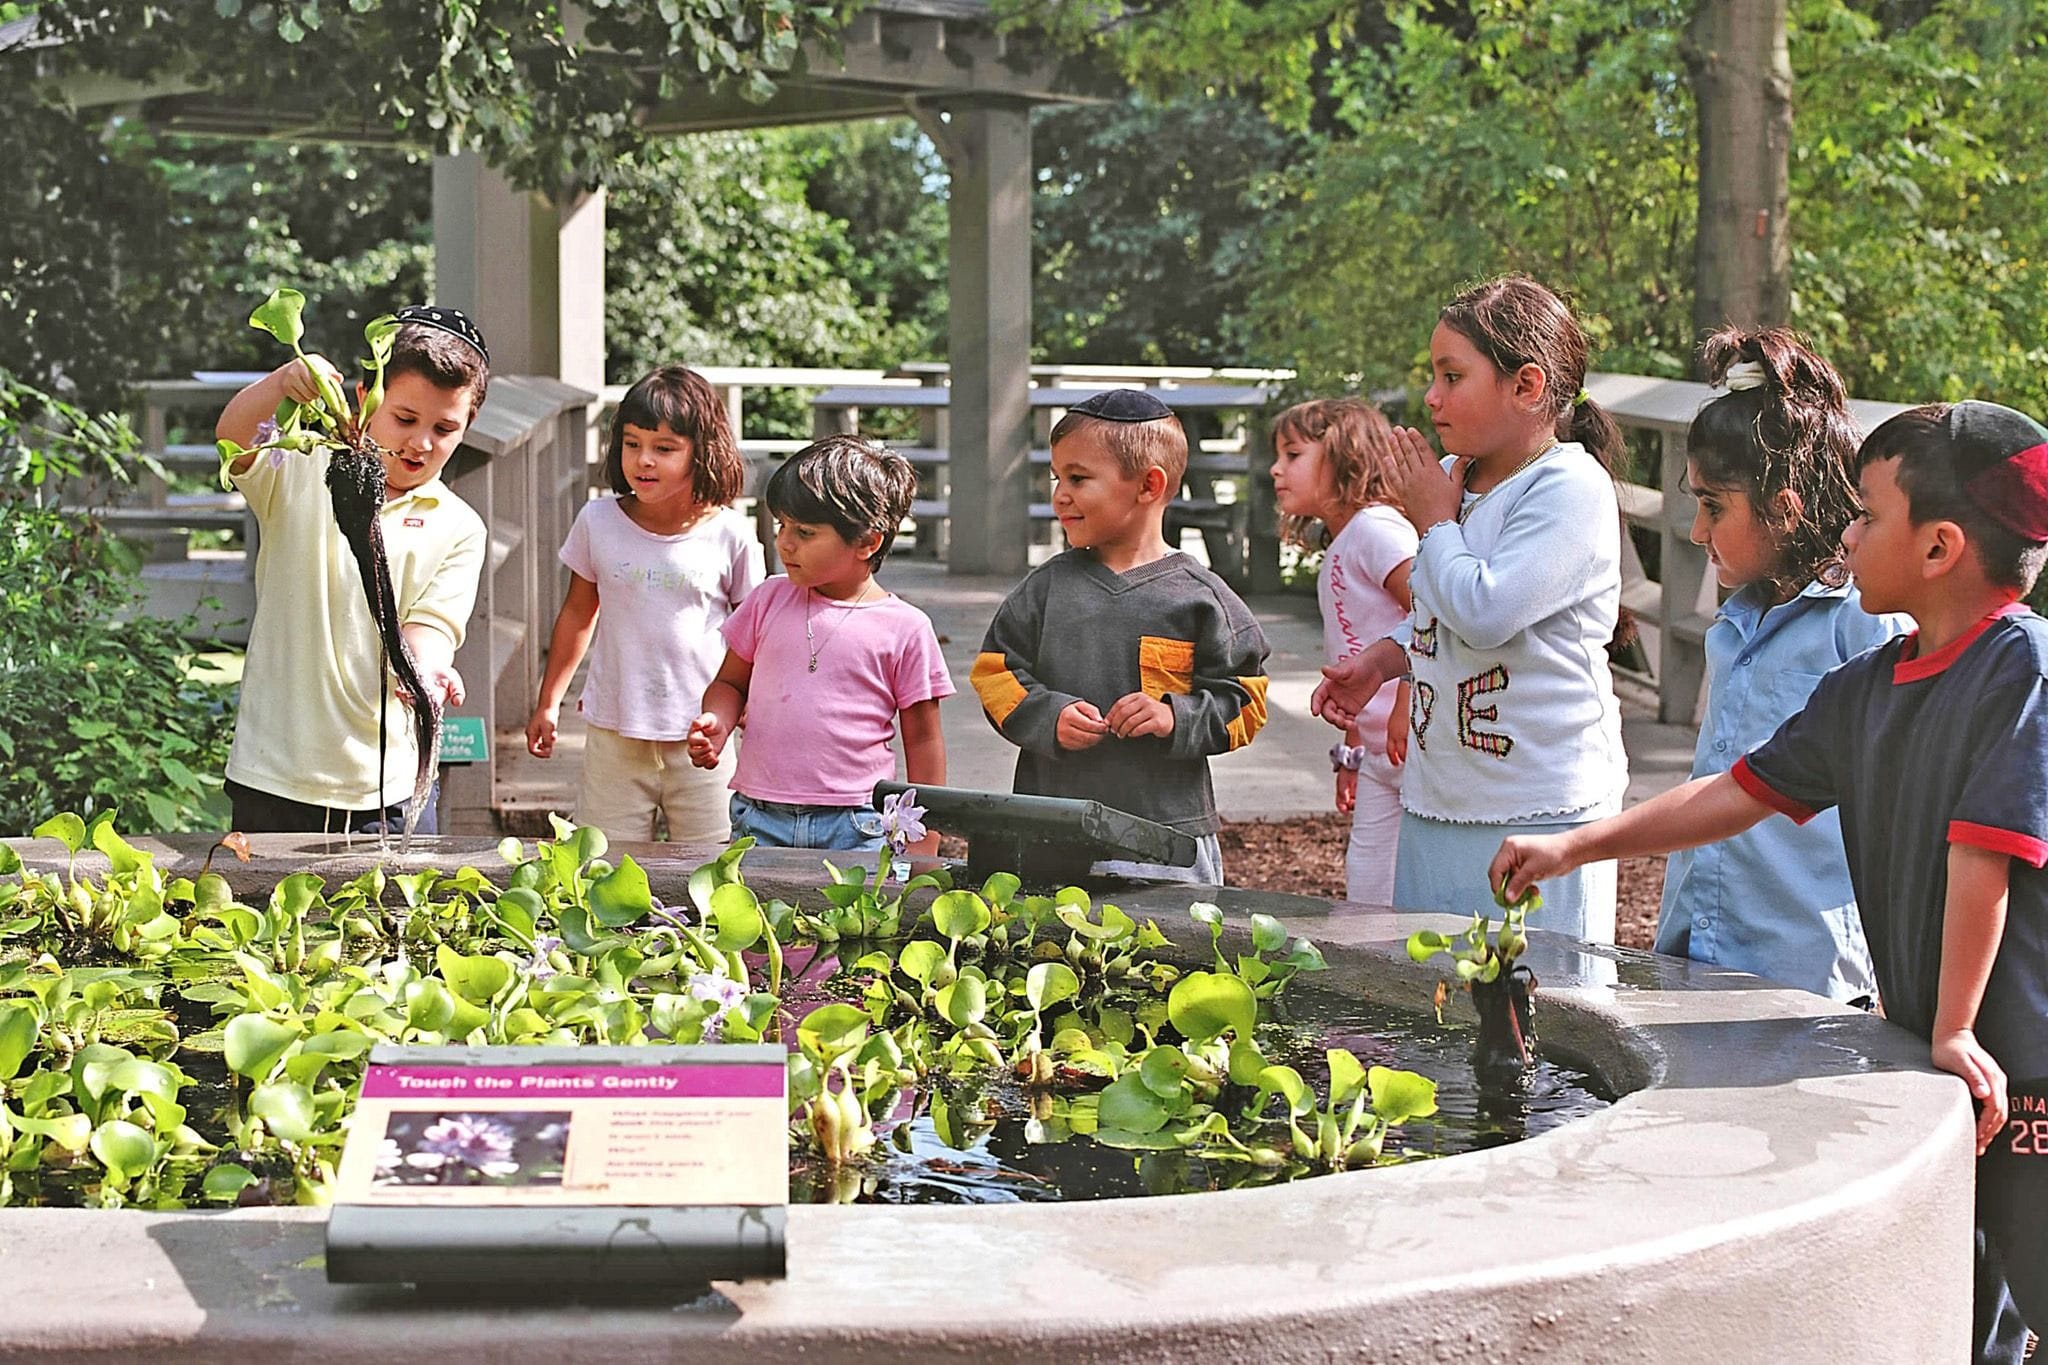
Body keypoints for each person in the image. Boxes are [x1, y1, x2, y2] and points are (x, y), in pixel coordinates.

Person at [1490, 400, 2048, 1364]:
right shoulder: (1868, 689)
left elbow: (1982, 851)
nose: (1847, 534)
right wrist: (1578, 846)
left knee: (2034, 1267)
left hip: (2027, 1061)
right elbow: (1736, 792)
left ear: (1939, 546)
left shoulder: (2021, 668)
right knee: (1960, 1282)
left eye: (1869, 516)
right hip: (1946, 1045)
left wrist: (1955, 1022)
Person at [1311, 275, 1628, 940]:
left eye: (1452, 375)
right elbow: (1439, 607)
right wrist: (1383, 660)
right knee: (1434, 1007)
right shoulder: (1458, 479)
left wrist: (1433, 523)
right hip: (1437, 799)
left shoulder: (1570, 486)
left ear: (1527, 386)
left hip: (1538, 812)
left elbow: (1486, 610)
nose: (1432, 395)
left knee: (1535, 1012)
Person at [1658, 328, 1909, 1002]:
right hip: (1695, 949)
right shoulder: (1735, 619)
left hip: (1803, 978)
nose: (1695, 532)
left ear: (1784, 507)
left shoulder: (1866, 623)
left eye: (1712, 505)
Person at [971, 388, 1271, 884]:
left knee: (1174, 955)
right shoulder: (1044, 590)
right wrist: (1049, 716)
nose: (1059, 494)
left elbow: (1247, 702)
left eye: (1078, 478)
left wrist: (1174, 716)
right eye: (1057, 478)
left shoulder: (1201, 599)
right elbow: (995, 673)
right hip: (1053, 829)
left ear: (1149, 486)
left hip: (1166, 837)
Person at [214, 305, 491, 834]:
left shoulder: (460, 526)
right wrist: (279, 384)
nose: (421, 442)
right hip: (274, 771)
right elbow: (235, 439)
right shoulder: (298, 469)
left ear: (467, 427)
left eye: (445, 428)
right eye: (405, 419)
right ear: (366, 400)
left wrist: (427, 672)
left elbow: (430, 628)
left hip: (387, 785)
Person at [525, 365, 762, 844]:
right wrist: (548, 702)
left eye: (664, 448)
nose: (643, 461)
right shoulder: (598, 521)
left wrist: (749, 714)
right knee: (598, 869)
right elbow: (577, 614)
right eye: (632, 444)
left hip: (703, 739)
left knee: (714, 871)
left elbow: (755, 634)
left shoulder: (731, 533)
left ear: (703, 452)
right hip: (615, 730)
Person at [686, 435, 948, 853]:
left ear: (867, 542)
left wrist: (924, 847)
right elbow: (730, 684)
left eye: (805, 532)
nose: (785, 542)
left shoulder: (907, 628)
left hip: (859, 823)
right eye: (781, 526)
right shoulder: (766, 600)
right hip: (760, 816)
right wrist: (715, 722)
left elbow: (923, 742)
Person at [1271, 397, 1416, 904]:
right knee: (1368, 893)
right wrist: (1352, 749)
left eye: (1293, 455)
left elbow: (1432, 614)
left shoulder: (1379, 530)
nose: (1276, 468)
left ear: (1344, 456)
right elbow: (1357, 648)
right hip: (1378, 753)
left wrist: (1407, 701)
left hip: (1417, 747)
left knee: (1415, 895)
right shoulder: (1346, 540)